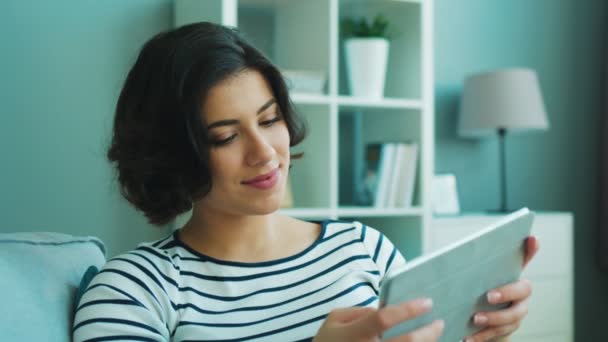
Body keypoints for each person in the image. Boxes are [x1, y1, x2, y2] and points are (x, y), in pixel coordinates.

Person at [72, 22, 538, 342]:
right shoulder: (133, 290)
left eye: (269, 119)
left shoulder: (364, 249)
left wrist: (473, 330)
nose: (265, 151)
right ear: (172, 152)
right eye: (225, 136)